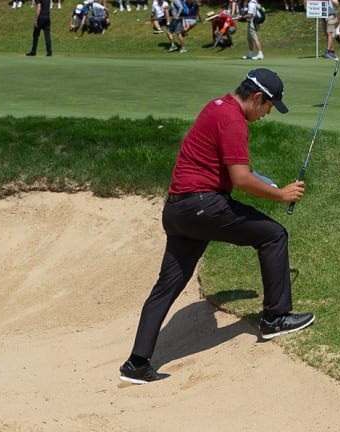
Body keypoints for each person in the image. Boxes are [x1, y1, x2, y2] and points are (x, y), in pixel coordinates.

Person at [119, 68, 315, 385]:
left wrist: (260, 179)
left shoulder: (216, 106)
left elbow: (229, 169)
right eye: (269, 106)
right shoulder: (235, 122)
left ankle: (136, 363)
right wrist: (281, 194)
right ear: (256, 98)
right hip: (203, 207)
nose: (268, 114)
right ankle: (275, 317)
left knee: (167, 285)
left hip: (177, 210)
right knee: (273, 235)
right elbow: (240, 179)